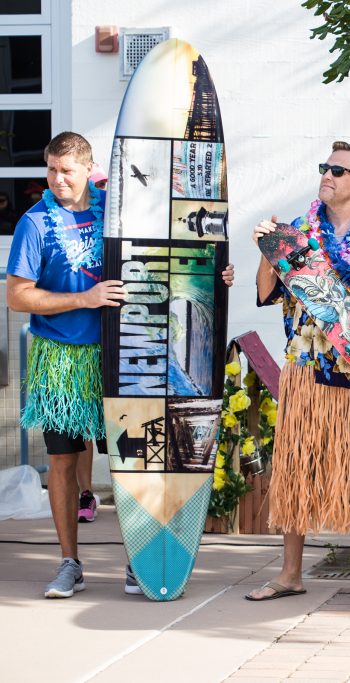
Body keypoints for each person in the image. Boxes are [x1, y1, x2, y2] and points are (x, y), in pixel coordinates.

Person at [6, 132, 234, 598]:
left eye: (66, 171)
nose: (57, 180)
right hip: (61, 359)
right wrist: (83, 299)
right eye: (50, 170)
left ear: (89, 169)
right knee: (63, 461)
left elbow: (172, 248)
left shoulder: (118, 207)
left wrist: (214, 270)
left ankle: (140, 558)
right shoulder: (35, 223)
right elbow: (17, 295)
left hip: (125, 349)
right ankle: (70, 562)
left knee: (135, 459)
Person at [247, 141, 350, 610]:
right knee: (297, 470)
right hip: (306, 371)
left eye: (338, 171)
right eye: (325, 168)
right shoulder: (299, 234)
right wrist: (269, 248)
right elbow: (265, 291)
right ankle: (291, 574)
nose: (327, 176)